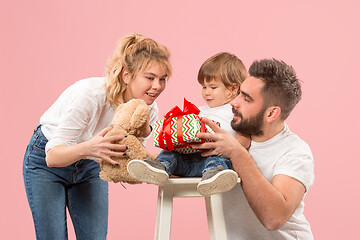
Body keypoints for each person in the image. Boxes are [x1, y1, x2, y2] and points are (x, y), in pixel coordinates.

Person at [22, 33, 172, 240]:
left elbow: (131, 156)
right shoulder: (90, 96)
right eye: (150, 78)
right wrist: (88, 148)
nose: (157, 86)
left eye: (162, 79)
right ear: (127, 75)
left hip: (91, 164)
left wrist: (168, 166)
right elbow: (52, 157)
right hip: (47, 161)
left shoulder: (147, 108)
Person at [192, 58, 315, 239]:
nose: (234, 102)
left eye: (247, 99)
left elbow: (274, 217)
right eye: (239, 93)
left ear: (272, 113)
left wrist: (236, 152)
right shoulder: (226, 135)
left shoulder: (295, 152)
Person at [127, 52, 249, 196]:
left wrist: (228, 147)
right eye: (204, 87)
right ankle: (159, 168)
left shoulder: (237, 111)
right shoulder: (201, 110)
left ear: (233, 89)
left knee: (219, 161)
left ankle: (214, 178)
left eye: (213, 87)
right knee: (170, 152)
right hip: (188, 161)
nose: (207, 93)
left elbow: (245, 139)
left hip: (213, 161)